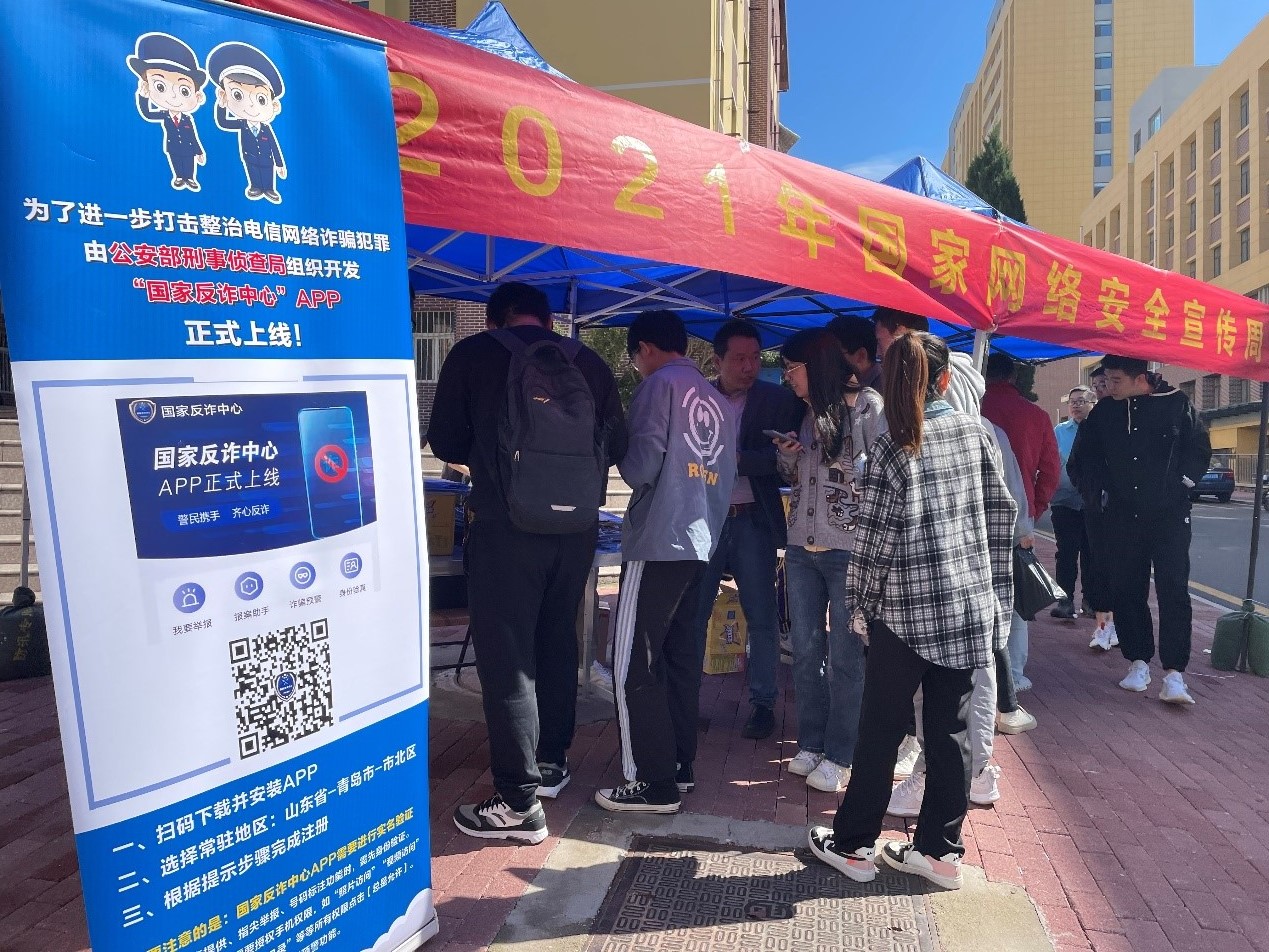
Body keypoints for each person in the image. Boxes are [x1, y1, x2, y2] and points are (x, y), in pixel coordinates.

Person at [808, 332, 1015, 891]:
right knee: (950, 731)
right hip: (967, 607)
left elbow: (873, 545)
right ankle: (939, 852)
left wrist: (858, 608)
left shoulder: (890, 449)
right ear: (945, 379)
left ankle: (854, 845)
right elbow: (1002, 516)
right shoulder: (978, 433)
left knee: (880, 729)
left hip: (902, 613)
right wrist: (997, 598)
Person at [427, 282, 627, 843]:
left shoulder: (473, 353)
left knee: (508, 656)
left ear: (495, 320)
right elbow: (615, 445)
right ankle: (551, 764)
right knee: (557, 640)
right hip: (577, 529)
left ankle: (517, 802)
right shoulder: (589, 363)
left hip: (506, 527)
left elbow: (445, 441)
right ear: (548, 320)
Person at [596, 310, 736, 813]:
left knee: (632, 660)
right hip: (701, 540)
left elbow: (640, 467)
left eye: (635, 359)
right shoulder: (718, 401)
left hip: (658, 538)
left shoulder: (657, 387)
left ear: (645, 349)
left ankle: (650, 782)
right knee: (677, 657)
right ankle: (678, 764)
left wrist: (615, 449)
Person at [886, 419, 1037, 817]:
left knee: (947, 690)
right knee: (974, 682)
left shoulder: (951, 429)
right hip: (975, 577)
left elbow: (1004, 507)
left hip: (950, 577)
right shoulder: (984, 429)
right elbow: (1008, 507)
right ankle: (978, 772)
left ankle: (938, 777)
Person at [773, 329, 885, 793]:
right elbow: (799, 480)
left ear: (814, 366)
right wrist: (788, 458)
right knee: (804, 650)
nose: (787, 378)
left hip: (849, 550)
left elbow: (882, 476)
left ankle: (842, 754)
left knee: (846, 656)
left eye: (791, 369)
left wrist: (840, 459)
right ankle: (811, 743)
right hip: (802, 547)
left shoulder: (868, 408)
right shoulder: (807, 414)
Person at [1068, 355, 1211, 704]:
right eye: (1106, 380)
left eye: (1116, 380)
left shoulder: (1177, 404)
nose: (1108, 386)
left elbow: (1199, 450)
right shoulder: (1104, 412)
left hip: (1170, 515)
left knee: (1173, 588)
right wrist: (1097, 494)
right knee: (1128, 588)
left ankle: (1174, 673)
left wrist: (1183, 485)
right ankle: (1137, 662)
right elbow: (1082, 459)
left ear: (1140, 378)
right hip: (1122, 515)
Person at [692, 320, 803, 740]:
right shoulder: (698, 398)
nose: (749, 366)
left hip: (752, 519)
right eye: (739, 358)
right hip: (705, 521)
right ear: (717, 360)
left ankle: (763, 704)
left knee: (761, 615)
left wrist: (737, 460)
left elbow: (784, 459)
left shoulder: (778, 400)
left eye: (755, 357)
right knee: (695, 613)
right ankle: (686, 699)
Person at [980, 352, 1060, 691]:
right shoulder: (1037, 415)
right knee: (1014, 595)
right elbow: (1051, 471)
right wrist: (1034, 509)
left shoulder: (974, 409)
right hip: (1019, 514)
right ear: (1013, 377)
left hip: (975, 510)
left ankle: (978, 668)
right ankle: (1013, 673)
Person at [1049, 387, 1117, 650]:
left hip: (1093, 503)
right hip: (1064, 501)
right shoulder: (1059, 431)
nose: (1076, 405)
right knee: (1066, 552)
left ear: (1093, 403)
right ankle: (1065, 600)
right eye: (1072, 402)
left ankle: (1090, 601)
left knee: (1091, 553)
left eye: (1082, 401)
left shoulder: (1100, 429)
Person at [207, 42, 287, 203]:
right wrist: (221, 105)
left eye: (261, 99)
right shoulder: (242, 125)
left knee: (267, 173)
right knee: (253, 172)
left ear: (274, 106)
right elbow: (223, 122)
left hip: (267, 159)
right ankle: (256, 187)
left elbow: (274, 146)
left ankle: (269, 189)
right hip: (250, 157)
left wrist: (279, 164)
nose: (251, 105)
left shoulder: (266, 128)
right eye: (237, 95)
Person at [128, 33, 207, 191]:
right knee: (177, 162)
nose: (173, 97)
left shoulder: (187, 119)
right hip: (173, 147)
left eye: (184, 90)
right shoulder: (164, 115)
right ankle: (179, 177)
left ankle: (190, 178)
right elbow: (148, 113)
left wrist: (199, 151)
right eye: (160, 86)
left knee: (188, 163)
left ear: (196, 95)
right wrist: (143, 97)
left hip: (188, 148)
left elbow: (193, 136)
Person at [871, 307, 984, 414]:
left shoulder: (935, 372)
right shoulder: (951, 371)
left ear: (901, 333)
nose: (877, 352)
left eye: (880, 340)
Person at [827, 314, 883, 390]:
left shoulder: (886, 390)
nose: (827, 362)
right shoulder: (853, 386)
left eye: (834, 355)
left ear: (861, 355)